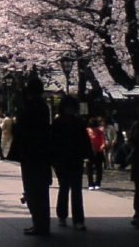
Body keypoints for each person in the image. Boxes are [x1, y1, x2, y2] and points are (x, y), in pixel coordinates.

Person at [15, 75, 52, 236]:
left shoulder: (28, 106)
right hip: (43, 151)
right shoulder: (44, 107)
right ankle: (42, 223)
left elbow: (21, 127)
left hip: (30, 152)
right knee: (42, 191)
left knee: (32, 189)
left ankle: (38, 223)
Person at [50, 95, 93, 230]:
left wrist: (88, 155)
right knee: (65, 188)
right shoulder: (59, 123)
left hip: (74, 159)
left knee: (75, 189)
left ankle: (77, 219)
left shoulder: (77, 123)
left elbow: (85, 141)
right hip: (64, 159)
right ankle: (63, 216)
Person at [86, 117, 106, 189]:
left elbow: (103, 140)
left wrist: (102, 145)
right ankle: (90, 183)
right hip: (89, 151)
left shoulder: (100, 131)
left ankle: (98, 182)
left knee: (99, 168)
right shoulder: (87, 131)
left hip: (98, 151)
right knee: (89, 168)